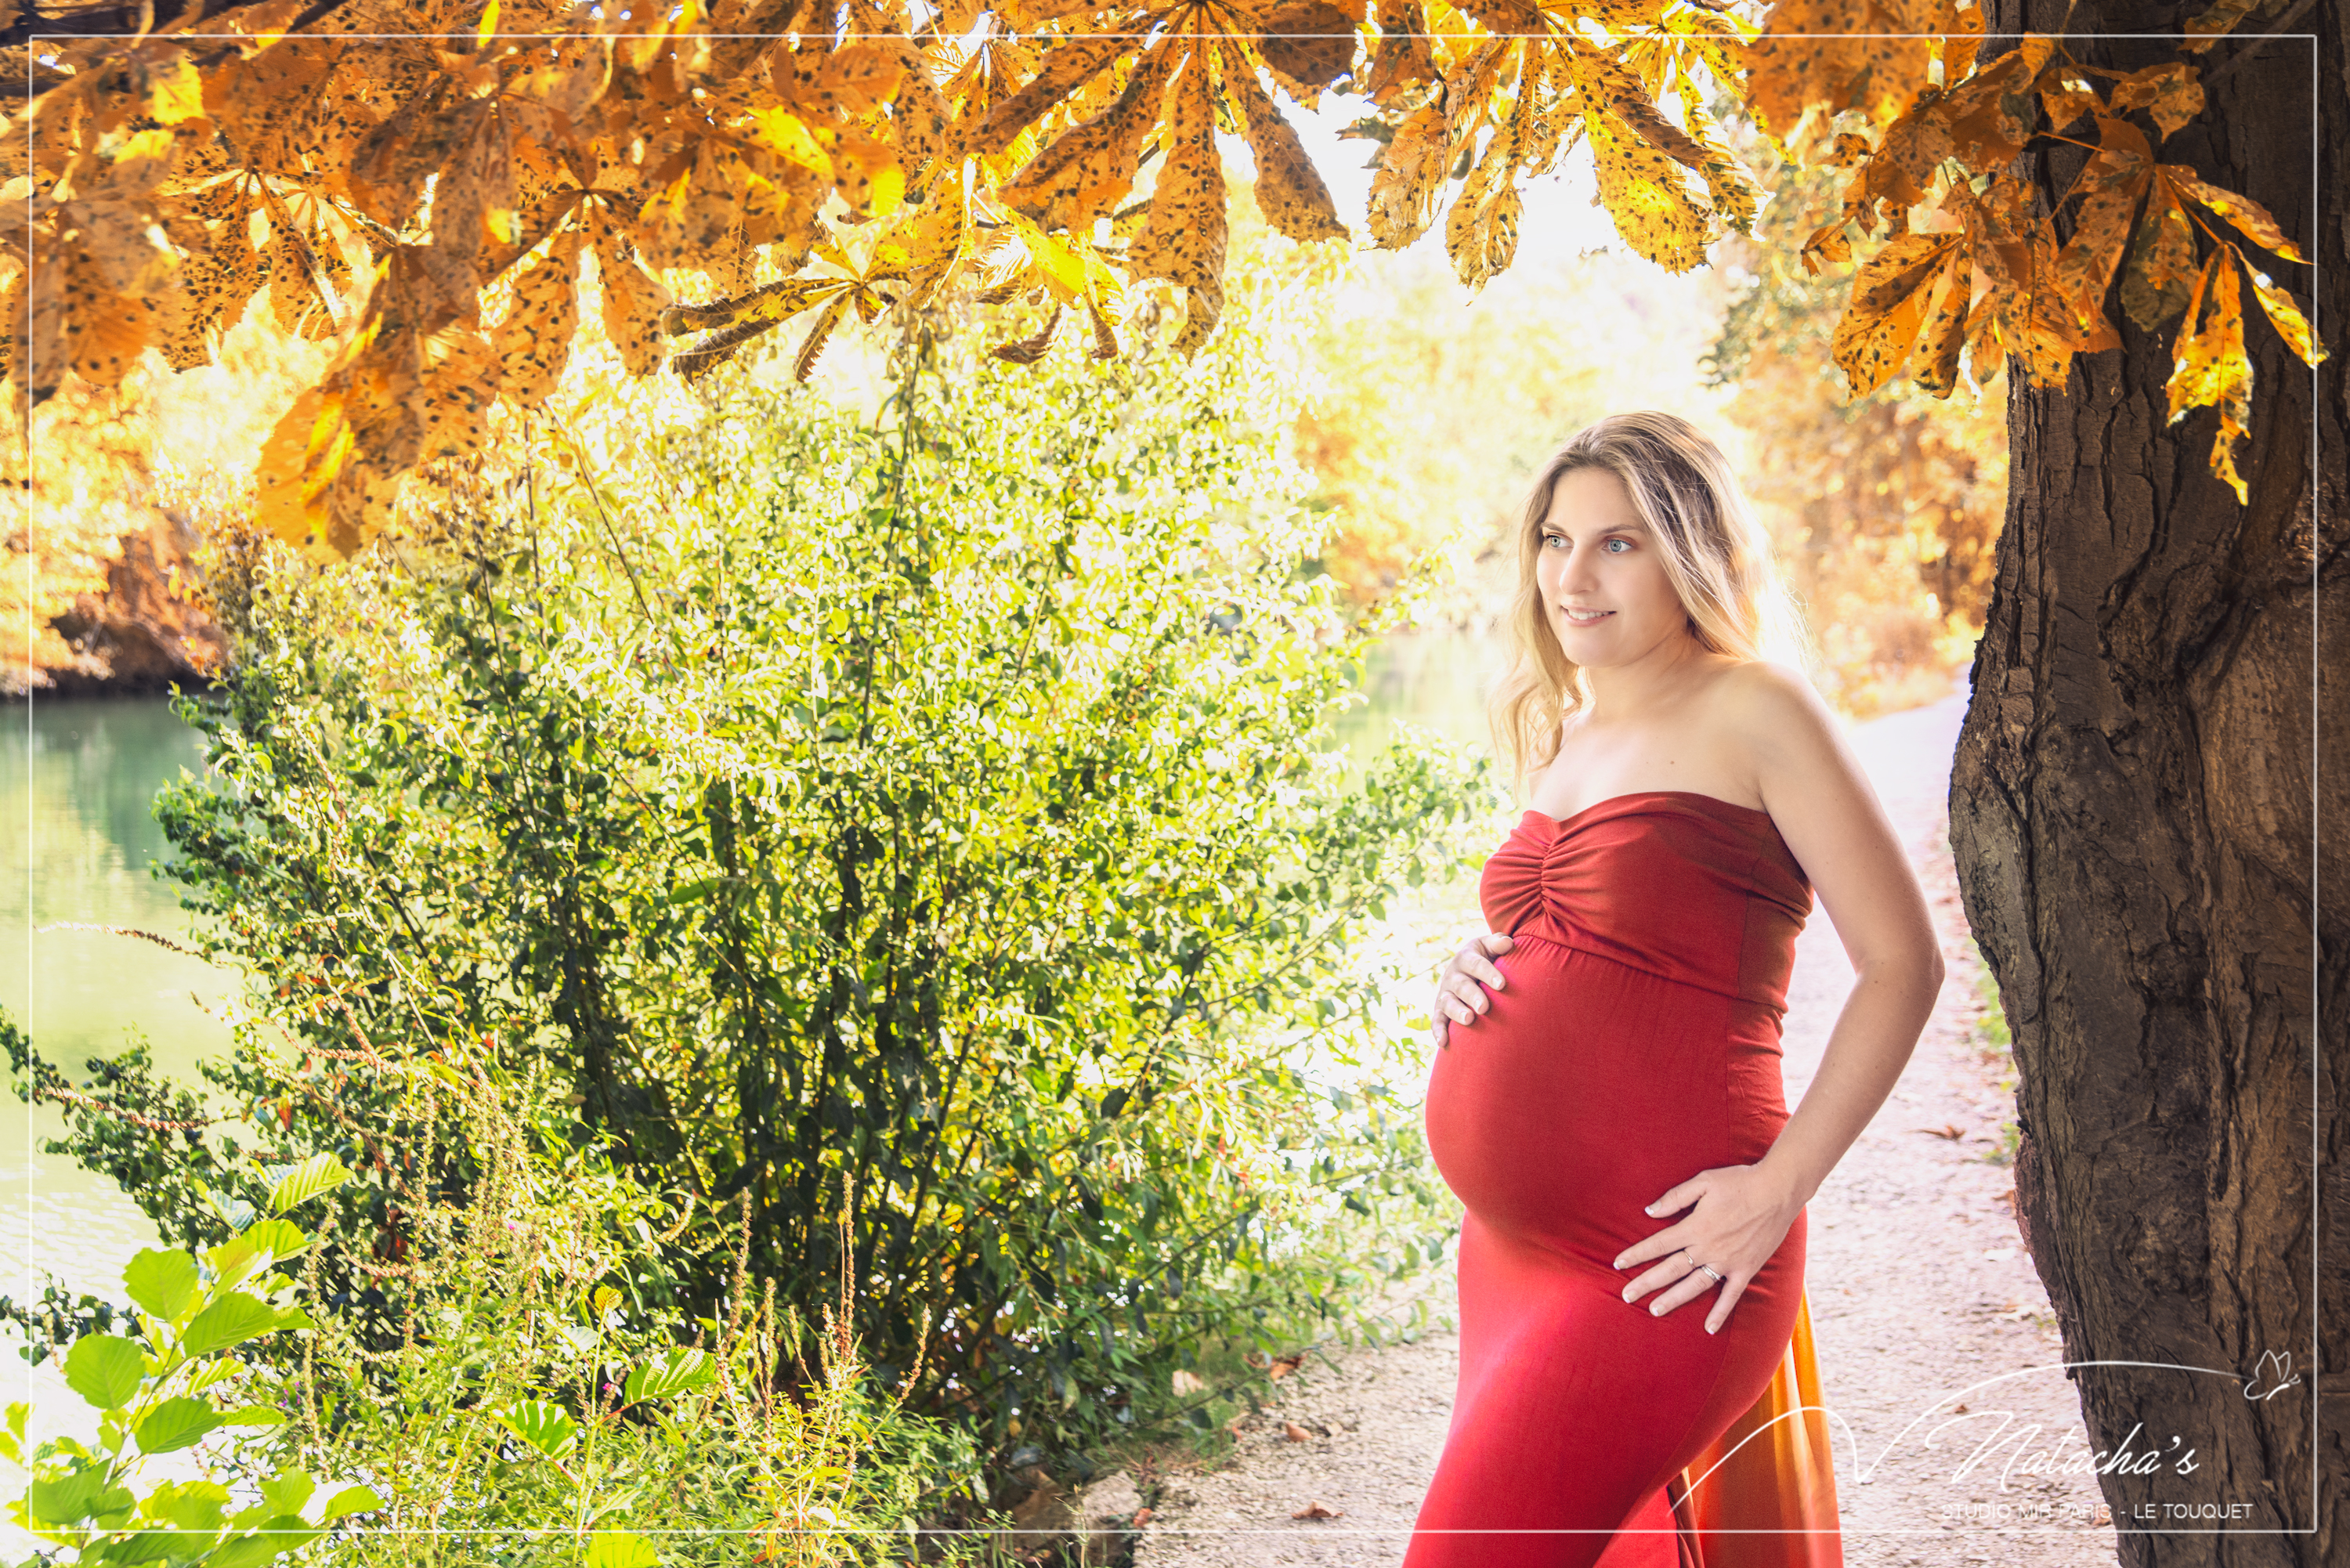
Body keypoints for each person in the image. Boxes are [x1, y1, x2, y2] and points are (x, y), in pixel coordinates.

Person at [1402, 412, 1945, 1568]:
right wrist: (1475, 961)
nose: (1571, 573)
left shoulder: (1757, 708)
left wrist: (1780, 1188)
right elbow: (1591, 932)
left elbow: (1905, 965)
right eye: (1555, 538)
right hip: (1508, 1249)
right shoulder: (1572, 719)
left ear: (1692, 549)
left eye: (1618, 543)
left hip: (1660, 1259)